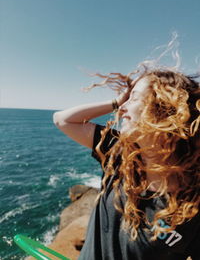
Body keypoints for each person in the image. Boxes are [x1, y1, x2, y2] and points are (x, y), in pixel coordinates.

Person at [53, 67, 200, 260]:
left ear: (164, 108)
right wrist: (116, 101)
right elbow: (63, 120)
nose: (122, 109)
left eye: (135, 98)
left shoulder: (194, 201)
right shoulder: (119, 153)